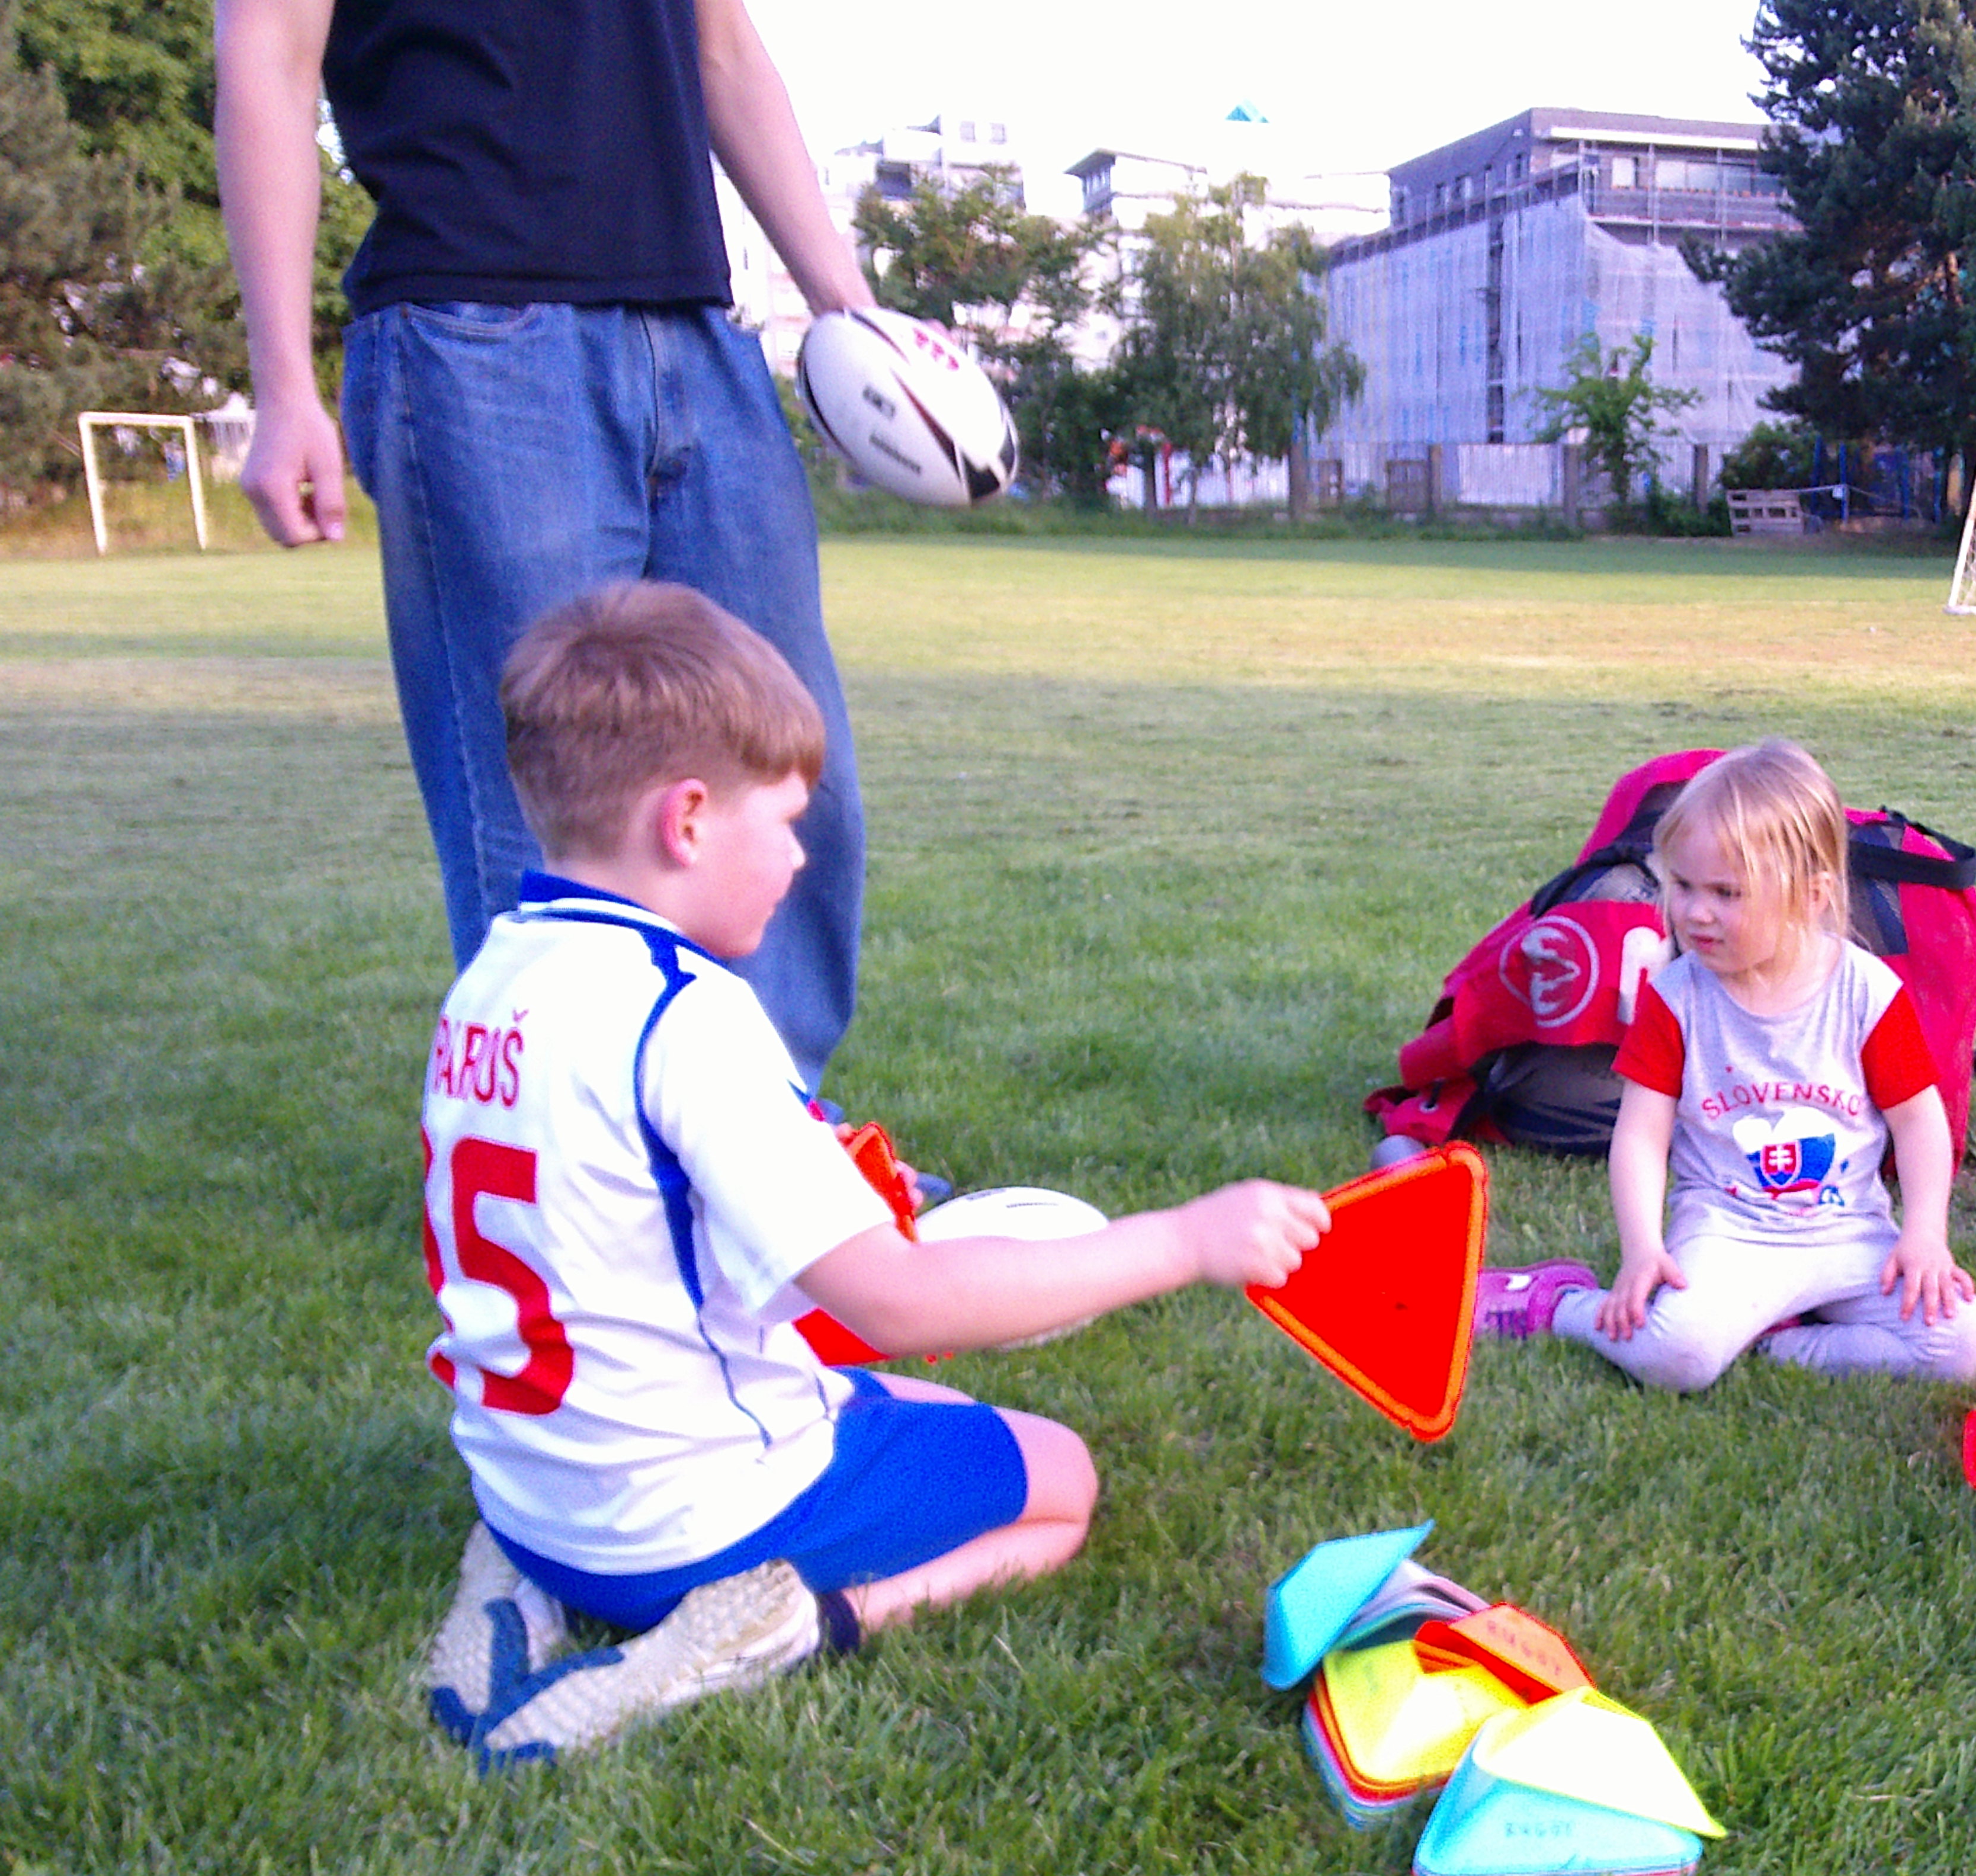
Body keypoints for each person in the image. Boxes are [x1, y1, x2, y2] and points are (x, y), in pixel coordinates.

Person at [419, 585, 1328, 1762]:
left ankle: (514, 1578)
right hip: (686, 1522)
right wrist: (1183, 1240)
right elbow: (897, 1303)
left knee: (913, 1409)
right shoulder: (682, 1015)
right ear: (688, 820)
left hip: (533, 1494)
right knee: (1061, 1477)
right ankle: (784, 1626)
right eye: (786, 821)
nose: (800, 857)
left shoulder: (492, 977)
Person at [216, 0, 877, 1086]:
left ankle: (769, 1134)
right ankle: (575, 1147)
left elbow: (722, 50)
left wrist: (850, 313)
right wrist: (283, 383)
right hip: (477, 336)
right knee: (549, 804)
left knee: (788, 776)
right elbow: (269, 57)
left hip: (698, 327)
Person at [1471, 740, 1976, 1393]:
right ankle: (1560, 1303)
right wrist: (1643, 1248)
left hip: (1849, 1232)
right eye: (1683, 886)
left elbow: (1919, 1122)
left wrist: (1923, 1235)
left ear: (1811, 896)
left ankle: (1780, 1346)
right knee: (1676, 1357)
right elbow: (1640, 1135)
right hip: (1728, 1232)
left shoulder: (1865, 992)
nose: (1695, 913)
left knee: (1972, 1351)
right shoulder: (1677, 996)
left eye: (1726, 893)